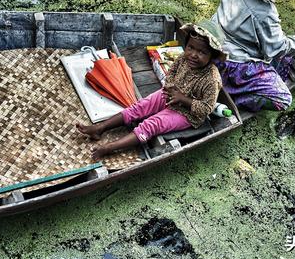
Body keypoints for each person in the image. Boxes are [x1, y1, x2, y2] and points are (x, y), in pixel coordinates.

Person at [77, 23, 226, 160]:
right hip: (170, 95)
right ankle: (100, 128)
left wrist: (182, 99)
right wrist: (170, 87)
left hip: (187, 114)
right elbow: (172, 72)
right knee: (140, 107)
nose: (193, 54)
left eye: (202, 52)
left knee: (151, 125)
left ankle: (109, 148)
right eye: (190, 48)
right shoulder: (184, 58)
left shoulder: (212, 79)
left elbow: (206, 109)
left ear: (212, 56)